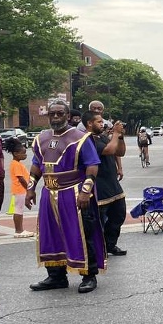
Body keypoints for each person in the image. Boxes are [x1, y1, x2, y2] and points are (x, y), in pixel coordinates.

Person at [26, 100, 106, 294]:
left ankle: (89, 275)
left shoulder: (80, 137)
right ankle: (56, 276)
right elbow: (37, 164)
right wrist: (30, 188)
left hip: (74, 191)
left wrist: (86, 191)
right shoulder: (41, 138)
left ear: (68, 116)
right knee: (49, 233)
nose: (55, 117)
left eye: (60, 114)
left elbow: (92, 164)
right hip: (48, 192)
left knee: (81, 233)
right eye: (52, 114)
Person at [85, 111, 128, 257]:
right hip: (99, 185)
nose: (102, 124)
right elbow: (108, 150)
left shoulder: (102, 136)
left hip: (113, 183)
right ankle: (98, 248)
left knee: (119, 215)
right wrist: (115, 134)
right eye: (98, 122)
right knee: (99, 220)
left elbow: (119, 152)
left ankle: (110, 244)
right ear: (89, 123)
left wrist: (120, 136)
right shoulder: (88, 140)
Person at [7, 140, 32, 237]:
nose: (25, 155)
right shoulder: (16, 164)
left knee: (19, 209)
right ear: (15, 153)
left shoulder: (17, 163)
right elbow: (21, 179)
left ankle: (19, 230)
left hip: (20, 190)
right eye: (23, 153)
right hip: (20, 189)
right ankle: (19, 230)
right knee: (18, 210)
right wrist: (28, 189)